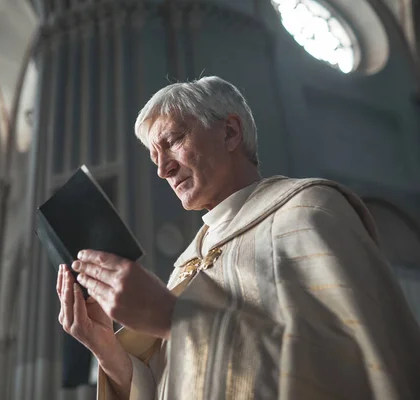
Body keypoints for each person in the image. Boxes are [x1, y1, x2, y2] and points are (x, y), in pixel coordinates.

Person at [56, 76, 420, 399]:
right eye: (155, 158)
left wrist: (171, 317)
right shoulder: (187, 262)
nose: (163, 170)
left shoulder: (309, 212)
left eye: (173, 141)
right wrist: (107, 349)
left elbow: (352, 363)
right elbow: (176, 385)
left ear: (230, 132)